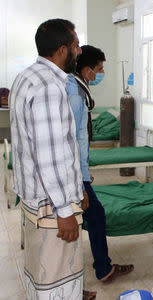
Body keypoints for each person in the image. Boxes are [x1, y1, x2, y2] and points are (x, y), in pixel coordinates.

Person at [9, 19, 95, 300]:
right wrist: (65, 211)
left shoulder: (26, 77)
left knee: (41, 273)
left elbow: (43, 147)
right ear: (61, 50)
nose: (79, 51)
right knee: (57, 281)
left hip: (37, 199)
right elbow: (49, 155)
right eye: (75, 45)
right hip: (51, 207)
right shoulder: (49, 88)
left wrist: (76, 189)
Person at [67, 45, 134, 283]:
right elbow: (72, 139)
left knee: (94, 216)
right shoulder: (74, 93)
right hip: (74, 173)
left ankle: (102, 267)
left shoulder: (77, 89)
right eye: (99, 69)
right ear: (86, 69)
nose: (100, 73)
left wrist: (85, 171)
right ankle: (101, 269)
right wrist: (81, 177)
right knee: (94, 215)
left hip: (78, 171)